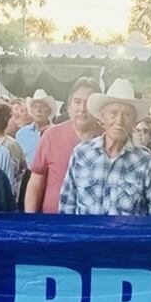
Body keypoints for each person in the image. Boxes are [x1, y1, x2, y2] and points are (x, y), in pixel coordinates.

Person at [59, 80, 151, 216]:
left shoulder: (145, 161)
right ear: (102, 117)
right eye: (113, 113)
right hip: (86, 237)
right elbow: (67, 206)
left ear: (133, 121)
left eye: (126, 115)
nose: (119, 121)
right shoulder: (81, 154)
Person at [25, 78, 100, 214]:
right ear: (69, 103)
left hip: (92, 226)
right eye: (77, 101)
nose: (82, 108)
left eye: (88, 102)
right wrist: (31, 222)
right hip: (52, 226)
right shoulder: (51, 136)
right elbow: (36, 183)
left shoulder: (107, 139)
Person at [16, 89, 55, 163]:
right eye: (35, 107)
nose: (38, 110)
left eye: (42, 106)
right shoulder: (21, 134)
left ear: (49, 110)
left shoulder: (57, 133)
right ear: (31, 110)